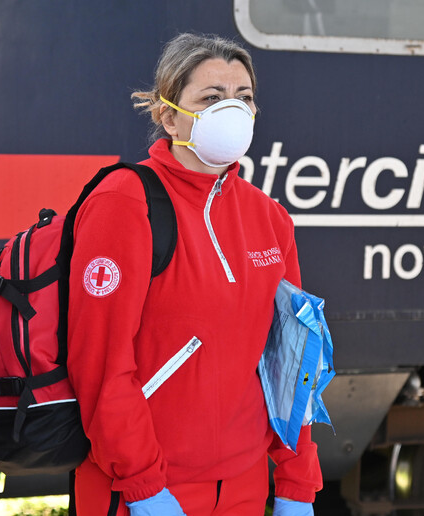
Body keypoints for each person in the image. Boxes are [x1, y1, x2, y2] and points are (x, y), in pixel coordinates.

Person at [67, 33, 323, 515]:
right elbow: (99, 365)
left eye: (244, 98)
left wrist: (296, 483)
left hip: (244, 486)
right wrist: (144, 488)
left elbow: (293, 362)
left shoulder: (268, 217)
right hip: (143, 488)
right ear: (168, 115)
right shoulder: (124, 202)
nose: (233, 111)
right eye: (211, 98)